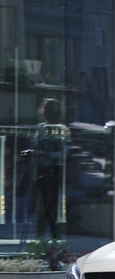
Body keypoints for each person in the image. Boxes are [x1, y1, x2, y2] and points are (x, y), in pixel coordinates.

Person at [20, 98, 69, 238]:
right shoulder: (40, 128)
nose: (46, 112)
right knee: (40, 209)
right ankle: (40, 241)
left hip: (53, 172)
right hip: (39, 171)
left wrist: (45, 154)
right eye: (46, 109)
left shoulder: (61, 130)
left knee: (51, 208)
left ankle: (56, 239)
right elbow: (35, 146)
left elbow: (64, 153)